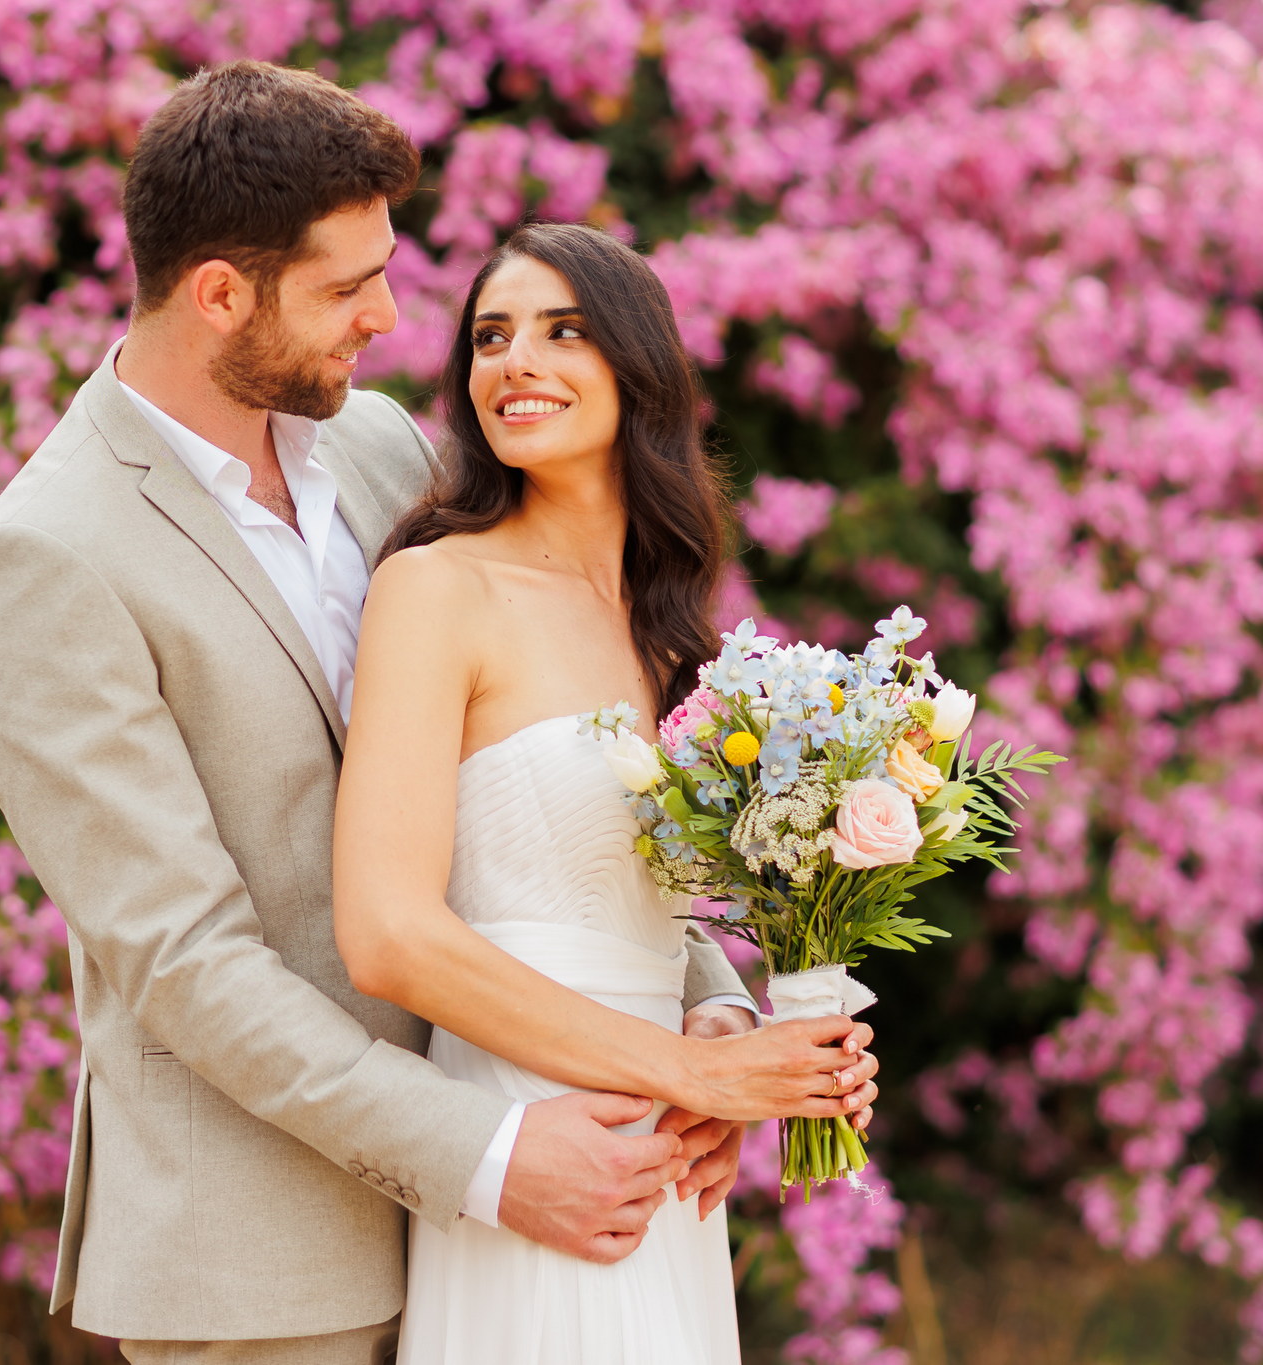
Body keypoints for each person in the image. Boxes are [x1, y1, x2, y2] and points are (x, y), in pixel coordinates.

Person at [0, 63, 875, 1364]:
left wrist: (709, 1012)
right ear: (221, 294)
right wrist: (490, 1153)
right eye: (347, 285)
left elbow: (540, 795)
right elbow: (185, 961)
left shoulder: (376, 448)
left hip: (551, 1186)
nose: (390, 317)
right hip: (272, 1259)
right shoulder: (49, 559)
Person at [330, 222, 879, 1365]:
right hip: (533, 1129)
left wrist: (741, 1041)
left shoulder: (670, 635)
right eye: (489, 336)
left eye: (560, 330)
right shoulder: (436, 588)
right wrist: (689, 1070)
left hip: (664, 1152)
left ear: (640, 370)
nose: (513, 361)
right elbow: (386, 935)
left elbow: (653, 917)